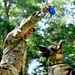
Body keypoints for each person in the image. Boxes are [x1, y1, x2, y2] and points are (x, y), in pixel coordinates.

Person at [0, 5, 51, 75]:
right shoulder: (14, 36)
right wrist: (42, 13)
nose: (30, 32)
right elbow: (26, 25)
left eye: (32, 31)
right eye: (28, 29)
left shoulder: (23, 44)